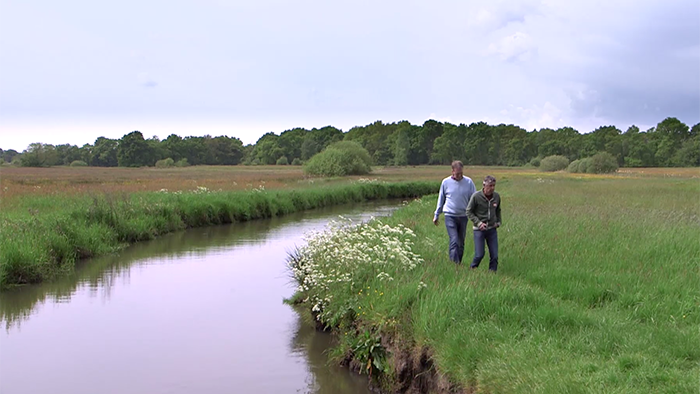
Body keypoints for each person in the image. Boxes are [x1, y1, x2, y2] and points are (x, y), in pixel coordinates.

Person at [433, 161, 477, 264]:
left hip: (463, 216)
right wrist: (436, 215)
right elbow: (441, 199)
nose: (459, 176)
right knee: (454, 240)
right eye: (457, 174)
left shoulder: (469, 182)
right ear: (452, 171)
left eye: (461, 173)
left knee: (461, 243)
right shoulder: (446, 182)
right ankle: (454, 265)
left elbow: (475, 199)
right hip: (450, 215)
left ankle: (459, 263)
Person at [466, 175, 501, 272]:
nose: (492, 188)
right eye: (490, 185)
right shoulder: (476, 196)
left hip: (492, 229)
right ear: (484, 185)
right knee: (479, 254)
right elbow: (469, 211)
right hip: (479, 230)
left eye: (494, 185)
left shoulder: (496, 197)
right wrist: (478, 223)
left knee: (494, 255)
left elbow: (498, 210)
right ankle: (472, 269)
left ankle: (492, 273)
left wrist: (498, 222)